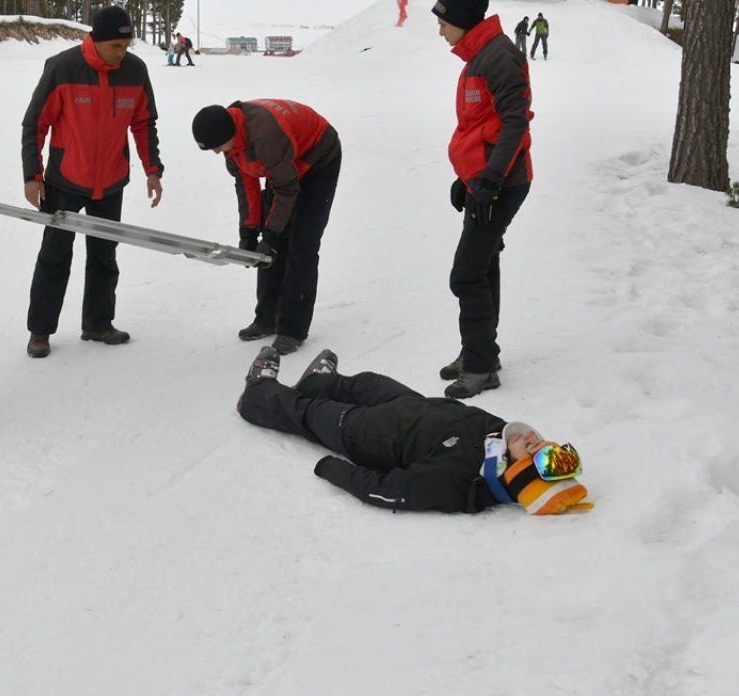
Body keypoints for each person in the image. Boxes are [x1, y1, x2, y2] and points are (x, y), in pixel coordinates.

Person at [236, 347, 592, 515]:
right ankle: (318, 381)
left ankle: (256, 396)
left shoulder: (459, 483)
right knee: (367, 383)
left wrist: (332, 468)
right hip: (412, 406)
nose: (532, 438)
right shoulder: (499, 438)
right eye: (541, 441)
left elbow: (387, 491)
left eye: (532, 450)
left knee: (308, 414)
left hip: (370, 435)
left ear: (516, 472)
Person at [20, 5, 164, 359]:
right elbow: (34, 125)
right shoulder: (63, 67)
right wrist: (32, 176)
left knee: (104, 256)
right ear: (96, 40)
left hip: (112, 180)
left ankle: (98, 323)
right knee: (54, 257)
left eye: (126, 45)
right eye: (116, 45)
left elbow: (144, 124)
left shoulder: (134, 70)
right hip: (66, 180)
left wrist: (153, 169)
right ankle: (41, 331)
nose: (122, 52)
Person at [434, 0, 533, 400]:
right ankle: (480, 353)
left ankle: (479, 367)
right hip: (485, 180)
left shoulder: (499, 57)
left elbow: (514, 122)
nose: (440, 32)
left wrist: (491, 178)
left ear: (461, 21)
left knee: (467, 274)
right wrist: (468, 177)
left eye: (443, 24)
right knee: (483, 263)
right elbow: (481, 126)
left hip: (502, 182)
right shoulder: (480, 56)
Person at [191, 100, 341, 356]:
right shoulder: (232, 142)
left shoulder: (266, 136)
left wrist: (270, 234)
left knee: (301, 244)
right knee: (271, 249)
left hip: (317, 159)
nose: (217, 152)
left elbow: (286, 190)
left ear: (227, 135)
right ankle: (267, 317)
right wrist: (249, 230)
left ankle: (292, 329)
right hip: (283, 167)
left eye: (216, 146)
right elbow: (246, 182)